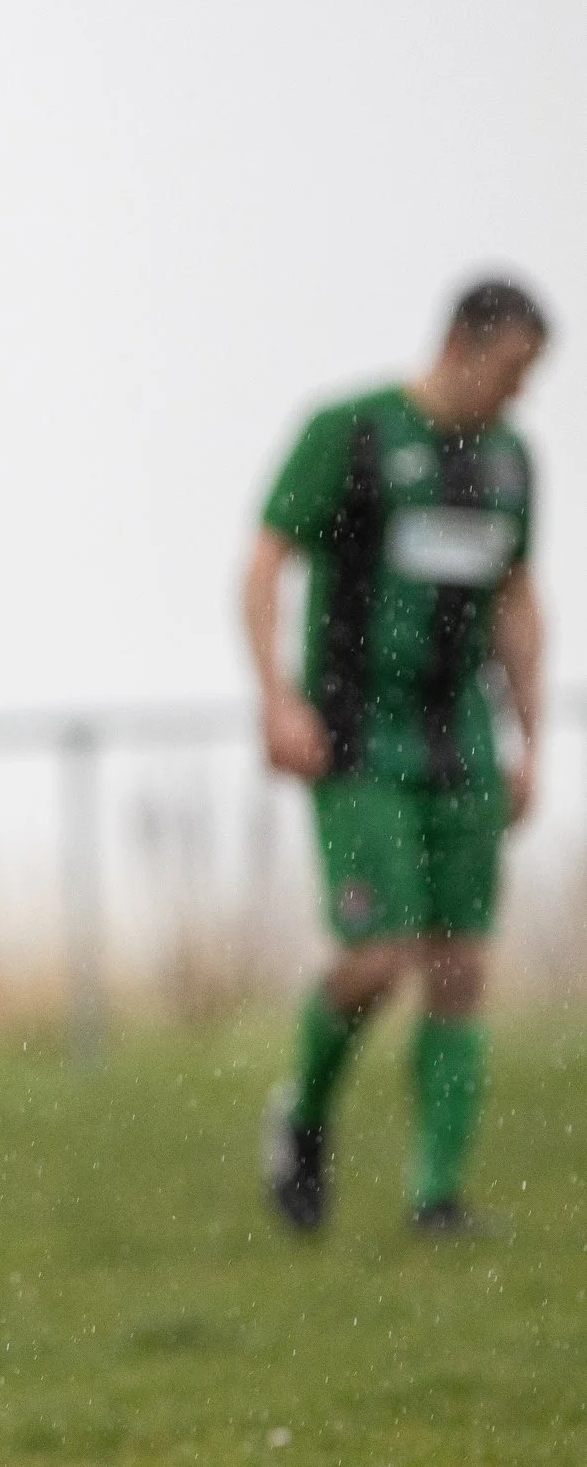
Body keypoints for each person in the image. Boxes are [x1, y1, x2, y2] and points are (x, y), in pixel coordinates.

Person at [250, 279, 549, 1237]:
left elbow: (516, 597)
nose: (519, 392)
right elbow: (265, 559)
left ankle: (437, 1197)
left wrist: (529, 739)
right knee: (379, 957)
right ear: (463, 342)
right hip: (357, 738)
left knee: (460, 965)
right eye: (511, 369)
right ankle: (303, 1114)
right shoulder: (353, 433)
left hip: (462, 740)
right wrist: (278, 699)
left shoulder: (509, 463)